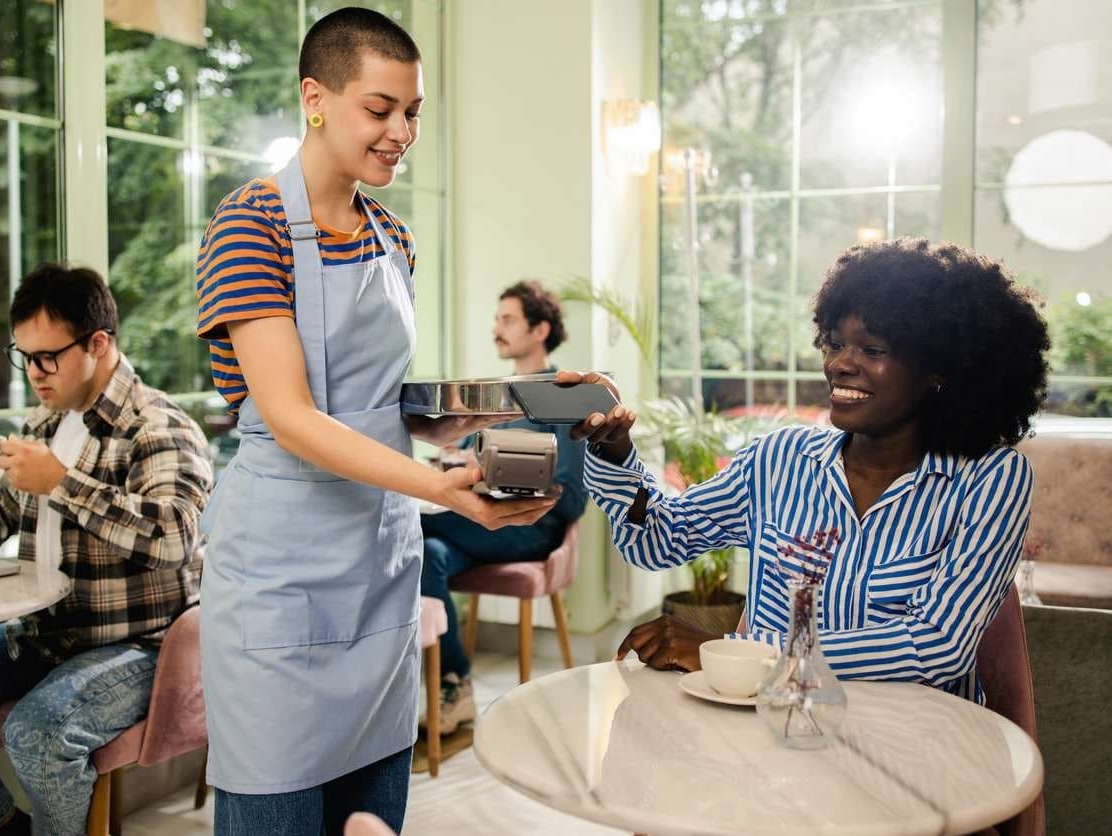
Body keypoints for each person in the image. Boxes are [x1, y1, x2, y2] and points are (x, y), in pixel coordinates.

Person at [193, 9, 556, 835]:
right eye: (380, 109)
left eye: (413, 112)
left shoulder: (392, 236)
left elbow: (377, 405)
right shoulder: (247, 226)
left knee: (373, 817)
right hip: (281, 579)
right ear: (314, 99)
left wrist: (501, 405)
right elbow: (291, 417)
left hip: (377, 571)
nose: (402, 132)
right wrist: (440, 490)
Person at [565, 237, 1049, 703]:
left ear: (939, 369)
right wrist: (615, 452)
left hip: (911, 740)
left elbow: (937, 646)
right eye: (834, 344)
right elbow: (657, 540)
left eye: (872, 350)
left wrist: (746, 654)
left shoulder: (990, 480)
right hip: (776, 730)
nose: (839, 364)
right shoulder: (779, 460)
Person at [0, 263, 213, 836]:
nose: (33, 373)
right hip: (45, 631)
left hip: (139, 644)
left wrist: (62, 483)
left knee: (39, 733)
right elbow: (1, 505)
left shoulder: (158, 427)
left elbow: (173, 537)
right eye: (23, 356)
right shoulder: (49, 419)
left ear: (98, 343)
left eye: (47, 357)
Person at [420, 280, 588, 735]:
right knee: (425, 553)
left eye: (508, 320)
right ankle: (455, 684)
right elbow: (466, 458)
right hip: (478, 524)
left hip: (531, 529)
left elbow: (573, 497)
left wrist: (511, 474)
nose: (497, 328)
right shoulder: (495, 395)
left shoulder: (563, 395)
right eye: (497, 319)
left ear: (540, 330)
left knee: (409, 524)